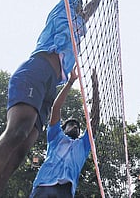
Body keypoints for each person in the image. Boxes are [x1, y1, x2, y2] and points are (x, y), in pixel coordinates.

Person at [0, 0, 110, 198]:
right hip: (37, 69)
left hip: (50, 87)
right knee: (17, 131)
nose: (83, 7)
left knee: (21, 150)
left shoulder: (80, 24)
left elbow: (90, 9)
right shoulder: (64, 8)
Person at [29, 67, 100, 197]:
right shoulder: (55, 137)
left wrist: (95, 88)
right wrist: (70, 82)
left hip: (65, 191)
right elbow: (56, 108)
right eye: (71, 124)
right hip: (44, 185)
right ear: (63, 128)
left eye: (78, 127)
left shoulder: (83, 145)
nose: (75, 127)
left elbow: (95, 121)